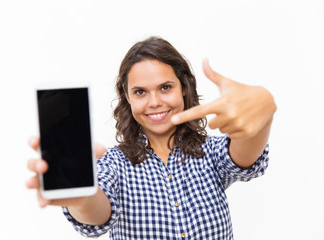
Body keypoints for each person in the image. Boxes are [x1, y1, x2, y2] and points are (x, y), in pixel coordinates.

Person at [26, 36, 277, 239]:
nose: (155, 102)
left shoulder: (209, 153)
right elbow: (97, 213)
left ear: (183, 87)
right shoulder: (114, 163)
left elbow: (246, 153)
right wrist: (81, 198)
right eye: (140, 92)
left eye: (165, 87)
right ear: (127, 95)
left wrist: (264, 108)